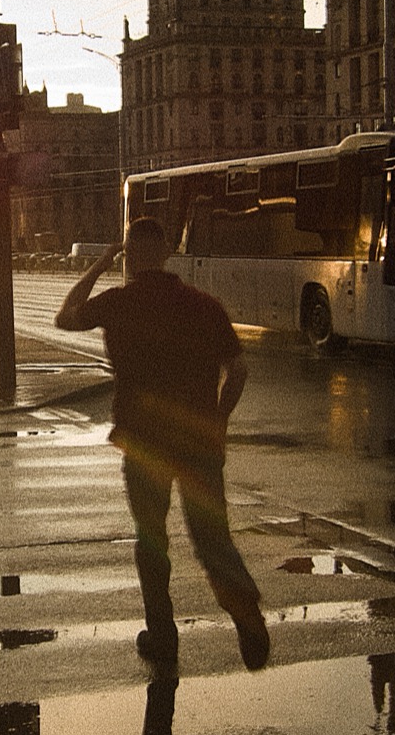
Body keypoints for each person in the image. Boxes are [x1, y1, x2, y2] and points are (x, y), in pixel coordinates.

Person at [56, 216, 269, 673]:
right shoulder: (204, 306)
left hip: (144, 442)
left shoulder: (117, 302)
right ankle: (244, 610)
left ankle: (163, 636)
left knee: (151, 539)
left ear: (130, 256)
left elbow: (66, 316)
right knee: (212, 536)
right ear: (168, 253)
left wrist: (101, 262)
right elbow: (239, 370)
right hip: (199, 441)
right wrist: (218, 420)